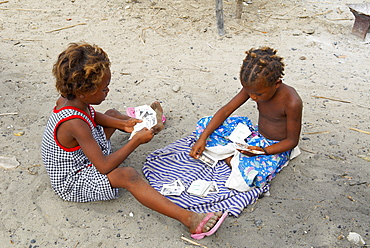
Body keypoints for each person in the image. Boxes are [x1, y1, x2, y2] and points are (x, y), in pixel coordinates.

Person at [41, 42, 227, 239]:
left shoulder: (69, 99)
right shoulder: (75, 123)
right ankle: (190, 219)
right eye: (104, 89)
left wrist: (124, 125)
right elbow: (104, 167)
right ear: (82, 92)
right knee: (127, 175)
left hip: (82, 155)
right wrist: (135, 141)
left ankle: (147, 121)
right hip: (74, 180)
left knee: (112, 114)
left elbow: (93, 115)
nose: (108, 91)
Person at [190, 47, 302, 189]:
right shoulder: (254, 88)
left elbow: (291, 141)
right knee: (204, 124)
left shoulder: (292, 102)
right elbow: (225, 111)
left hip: (274, 147)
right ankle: (233, 160)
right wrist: (203, 138)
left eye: (259, 95)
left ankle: (230, 159)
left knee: (253, 177)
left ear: (277, 84)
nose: (253, 97)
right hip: (255, 135)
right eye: (249, 92)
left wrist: (262, 151)